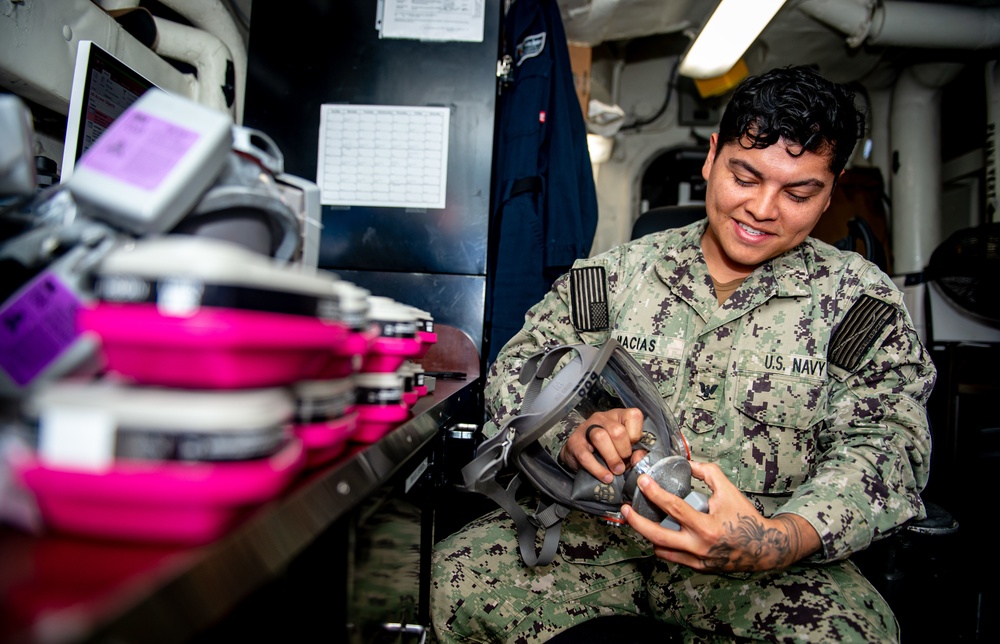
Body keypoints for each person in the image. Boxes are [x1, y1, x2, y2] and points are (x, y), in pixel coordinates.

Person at [430, 65, 936, 643]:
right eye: (745, 177)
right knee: (441, 588)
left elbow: (888, 444)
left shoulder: (856, 304)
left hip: (765, 559)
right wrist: (571, 428)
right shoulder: (613, 278)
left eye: (799, 192)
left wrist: (779, 539)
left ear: (830, 191)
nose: (764, 209)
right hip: (595, 536)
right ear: (712, 156)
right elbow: (518, 372)